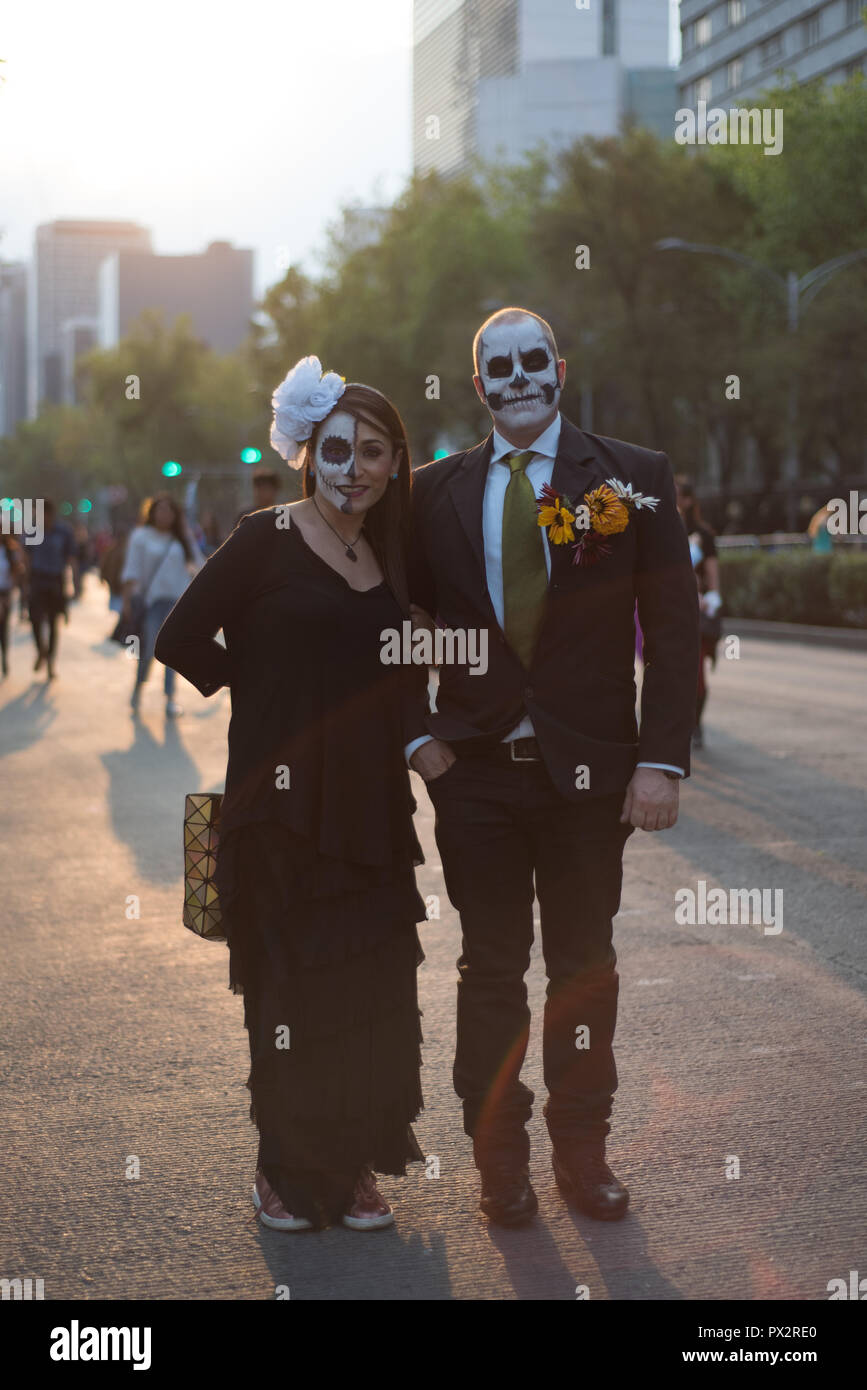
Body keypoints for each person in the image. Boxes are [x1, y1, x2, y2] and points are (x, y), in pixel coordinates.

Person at [408, 307, 699, 1226]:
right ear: (478, 386)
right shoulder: (428, 493)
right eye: (500, 366)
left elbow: (678, 631)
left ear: (560, 370)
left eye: (534, 360)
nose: (519, 377)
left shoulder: (634, 479)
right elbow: (377, 626)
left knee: (583, 965)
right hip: (477, 777)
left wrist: (661, 762)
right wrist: (417, 737)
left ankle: (583, 1151)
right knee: (490, 969)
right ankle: (499, 1159)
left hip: (592, 779)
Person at [154, 358, 429, 1232]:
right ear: (309, 454)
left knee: (367, 986)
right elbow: (177, 635)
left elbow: (397, 667)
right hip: (276, 811)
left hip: (372, 809)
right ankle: (282, 1170)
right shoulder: (263, 535)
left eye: (373, 452)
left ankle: (351, 1168)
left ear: (393, 465)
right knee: (288, 994)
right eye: (337, 449)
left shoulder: (390, 552)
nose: (354, 466)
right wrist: (262, 690)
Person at [120, 493, 204, 717]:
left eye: (169, 510)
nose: (165, 514)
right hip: (151, 603)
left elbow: (200, 565)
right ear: (152, 512)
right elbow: (131, 570)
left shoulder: (181, 538)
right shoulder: (141, 536)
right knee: (148, 650)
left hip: (178, 604)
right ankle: (138, 688)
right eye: (161, 509)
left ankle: (170, 698)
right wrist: (127, 601)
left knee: (173, 653)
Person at [675, 476, 722, 748]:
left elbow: (713, 573)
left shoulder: (703, 534)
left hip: (699, 610)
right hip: (671, 609)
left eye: (677, 493)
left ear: (689, 499)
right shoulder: (664, 527)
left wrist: (713, 599)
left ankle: (696, 724)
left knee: (696, 673)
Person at [26, 499, 77, 680]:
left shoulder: (64, 531)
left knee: (54, 623)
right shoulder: (31, 530)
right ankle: (41, 650)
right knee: (35, 619)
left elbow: (71, 558)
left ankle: (51, 663)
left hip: (56, 581)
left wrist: (74, 583)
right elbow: (25, 556)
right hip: (36, 580)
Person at [0, 533, 26, 678]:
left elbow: (19, 570)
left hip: (4, 593)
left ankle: (4, 657)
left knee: (3, 628)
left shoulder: (10, 550)